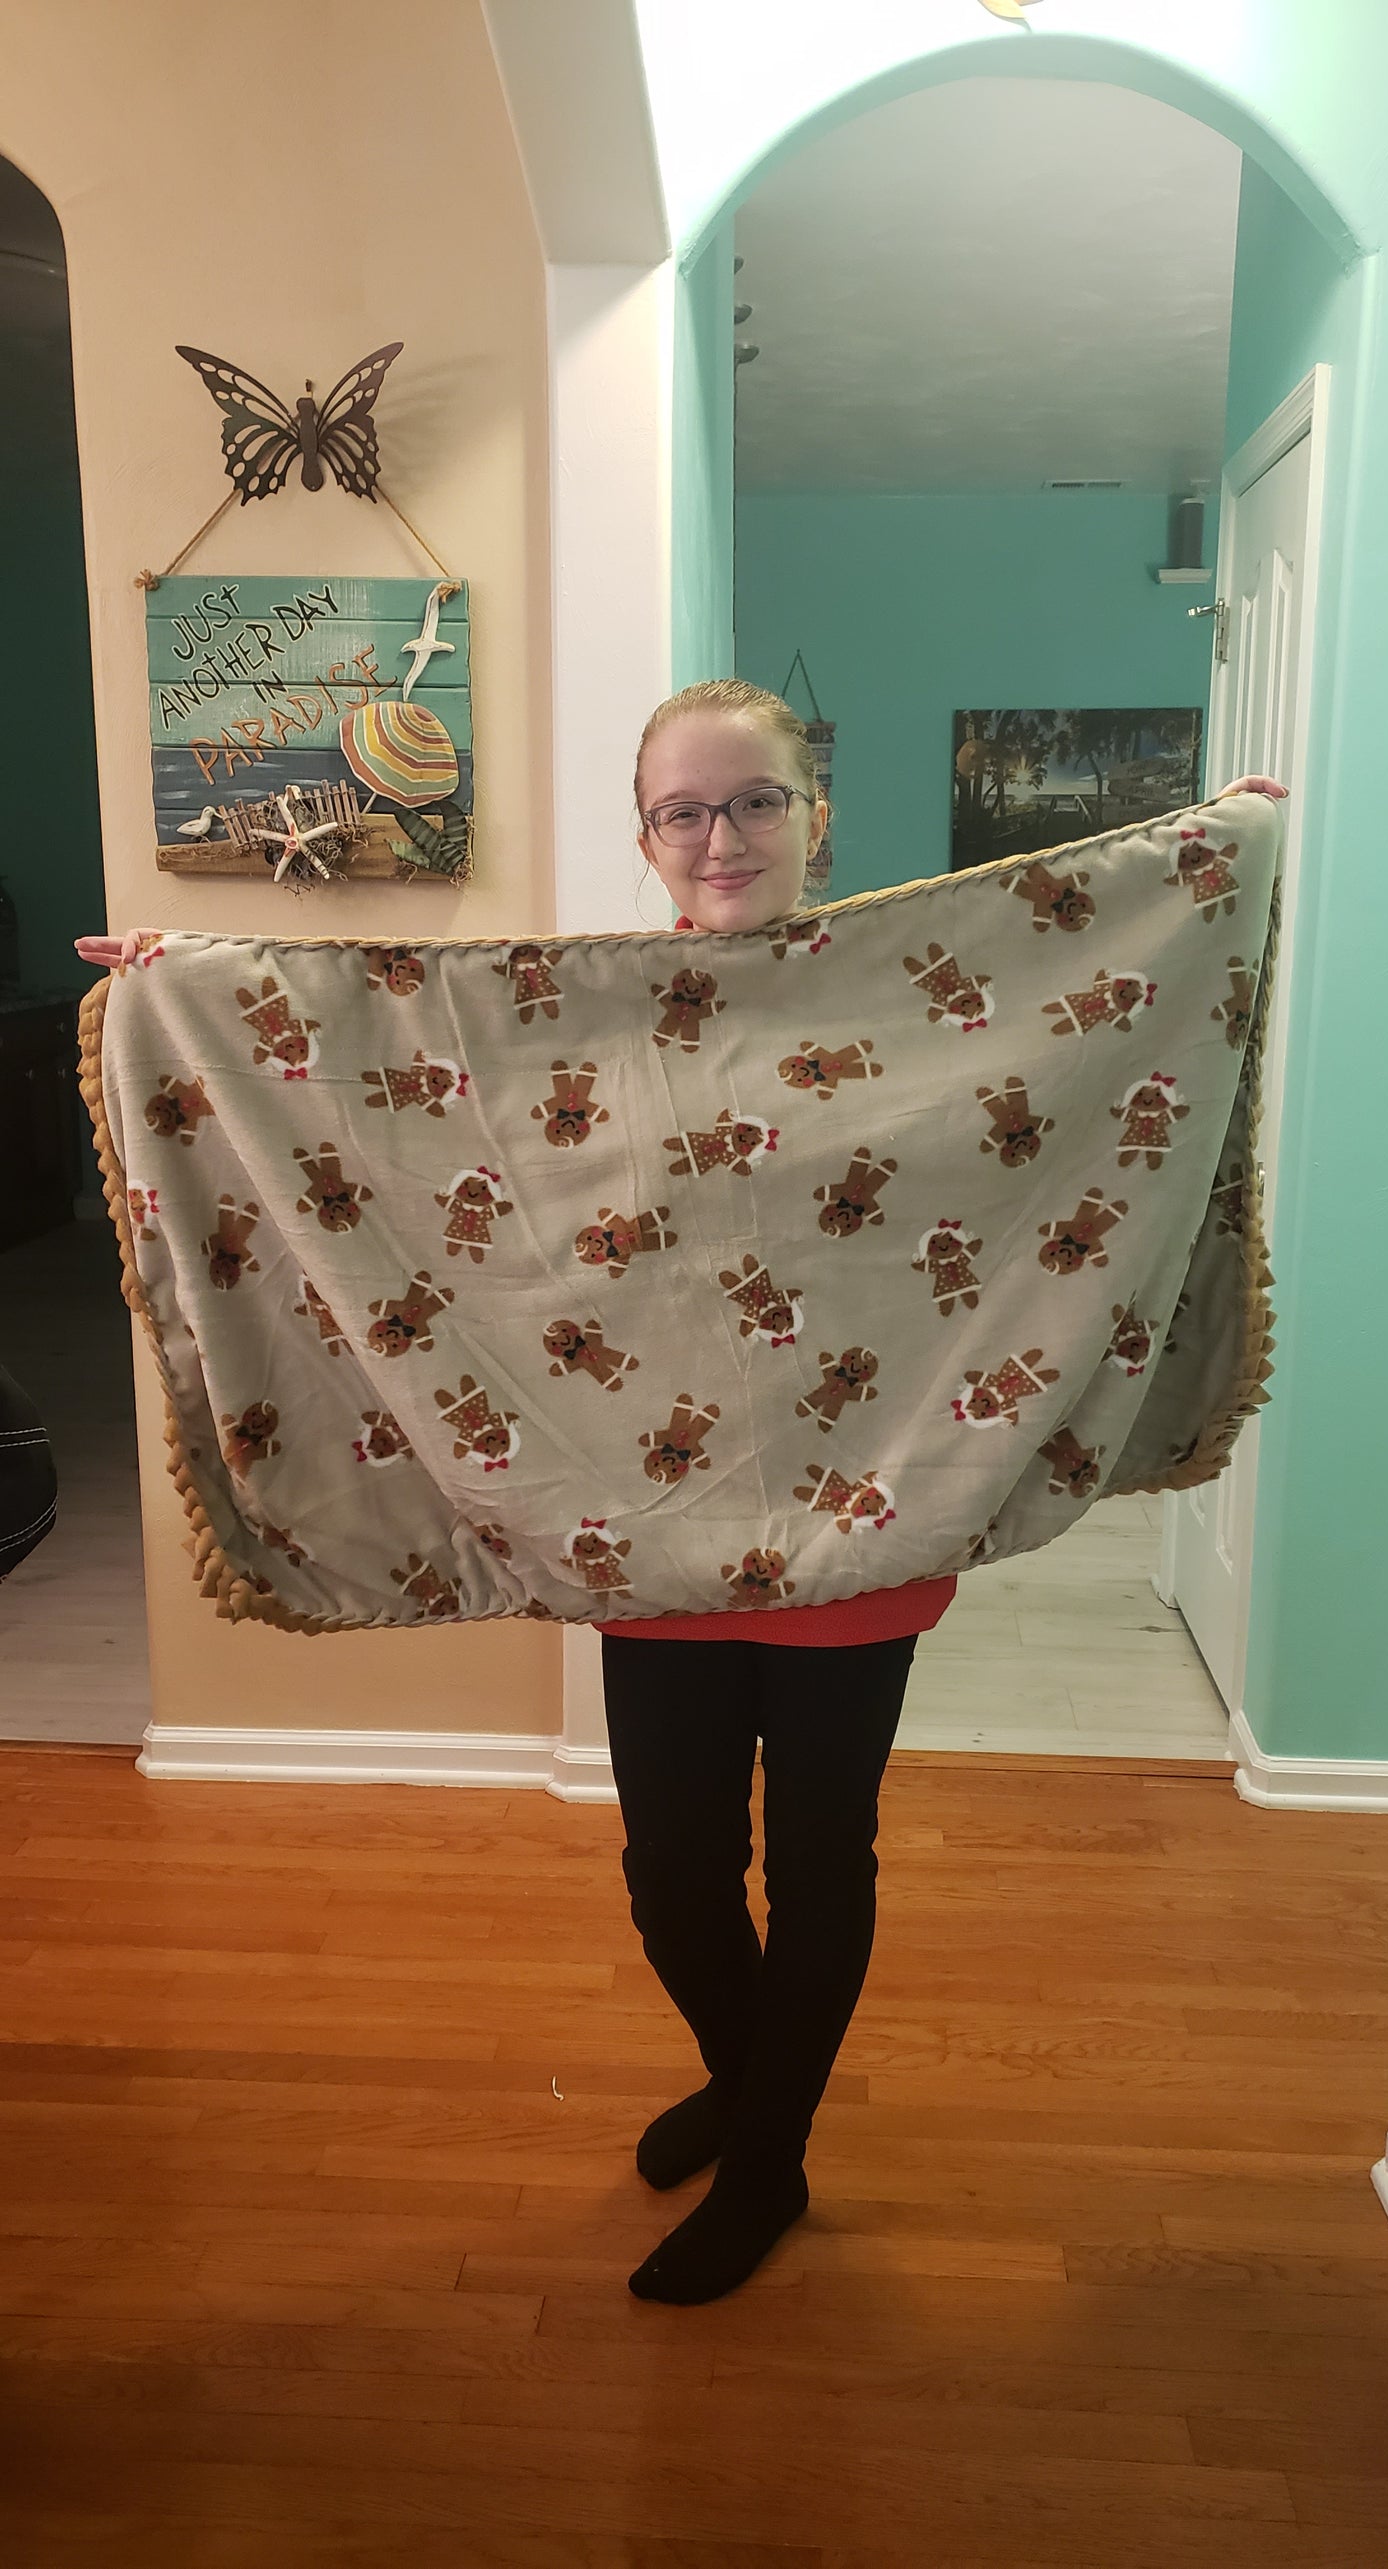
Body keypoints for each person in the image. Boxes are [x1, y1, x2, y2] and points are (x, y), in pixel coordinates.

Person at [77, 683, 1287, 2307]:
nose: (720, 839)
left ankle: (770, 2158)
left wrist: (1226, 850)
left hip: (865, 1510)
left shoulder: (909, 988)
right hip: (639, 1519)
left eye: (755, 802)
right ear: (644, 831)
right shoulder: (576, 1012)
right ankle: (754, 2075)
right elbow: (393, 1071)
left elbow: (1080, 986)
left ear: (815, 812)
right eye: (684, 811)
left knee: (822, 1857)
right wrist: (190, 987)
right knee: (670, 1872)